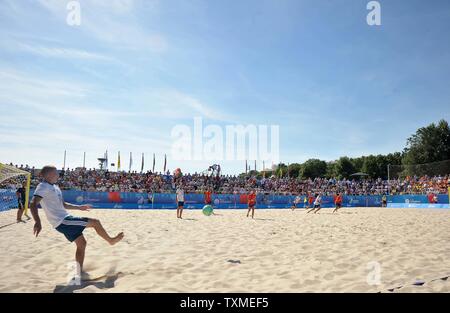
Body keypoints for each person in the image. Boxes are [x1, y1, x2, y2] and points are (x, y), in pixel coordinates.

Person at [29, 165, 124, 275]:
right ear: (50, 175)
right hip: (62, 221)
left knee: (82, 244)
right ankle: (111, 241)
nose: (58, 175)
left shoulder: (55, 187)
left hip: (64, 220)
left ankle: (78, 272)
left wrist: (79, 207)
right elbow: (32, 204)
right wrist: (37, 221)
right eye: (56, 173)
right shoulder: (43, 186)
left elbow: (63, 204)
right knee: (96, 222)